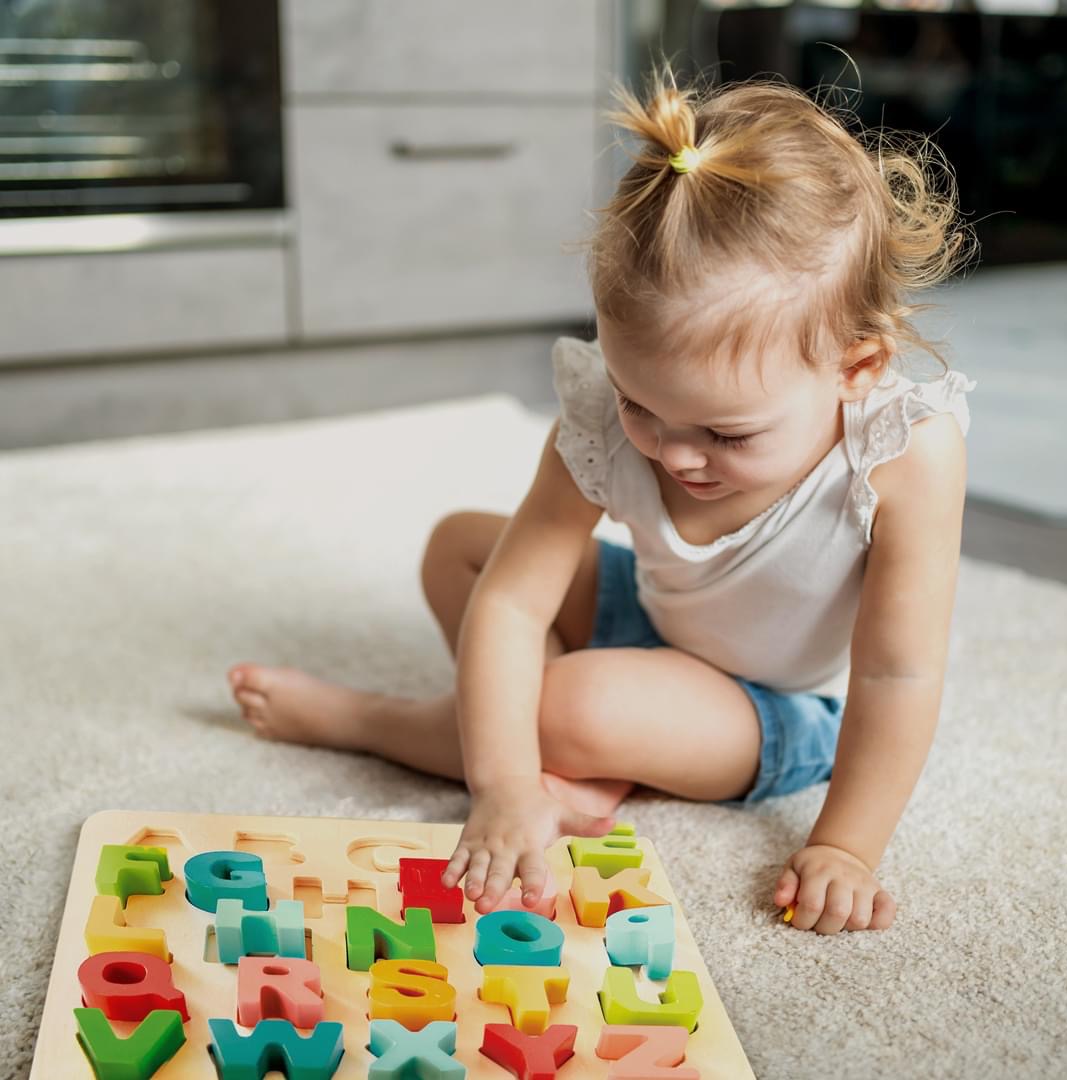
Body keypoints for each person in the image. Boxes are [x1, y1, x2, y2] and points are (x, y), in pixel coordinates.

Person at [228, 62, 977, 935]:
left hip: (772, 709)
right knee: (461, 547)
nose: (674, 453)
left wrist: (847, 846)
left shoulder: (904, 454)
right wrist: (503, 789)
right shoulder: (608, 419)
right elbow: (512, 599)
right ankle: (552, 766)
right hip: (651, 618)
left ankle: (381, 721)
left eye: (727, 434)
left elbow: (898, 671)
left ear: (856, 367)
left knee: (561, 704)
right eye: (640, 405)